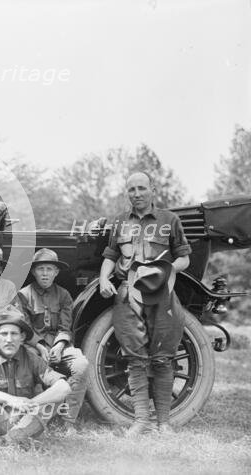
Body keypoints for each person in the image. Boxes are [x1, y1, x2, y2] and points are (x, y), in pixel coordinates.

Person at [98, 172, 191, 436]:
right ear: (126, 193)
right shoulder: (118, 222)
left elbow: (184, 258)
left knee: (163, 358)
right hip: (128, 294)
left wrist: (164, 271)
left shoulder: (169, 220)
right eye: (131, 189)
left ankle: (163, 422)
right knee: (134, 358)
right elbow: (110, 255)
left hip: (162, 293)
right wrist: (104, 277)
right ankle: (141, 420)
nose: (136, 194)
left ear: (152, 189)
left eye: (141, 188)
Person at [0, 306, 72, 442]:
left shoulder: (32, 358)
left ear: (22, 337)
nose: (9, 339)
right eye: (4, 334)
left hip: (25, 417)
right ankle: (14, 439)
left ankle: (5, 441)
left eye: (14, 334)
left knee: (54, 400)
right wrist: (10, 400)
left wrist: (32, 403)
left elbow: (64, 387)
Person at [18, 248, 89, 431]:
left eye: (49, 269)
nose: (45, 274)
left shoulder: (64, 295)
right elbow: (24, 328)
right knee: (28, 360)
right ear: (33, 271)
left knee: (80, 364)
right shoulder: (23, 295)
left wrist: (58, 346)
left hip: (59, 346)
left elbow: (65, 327)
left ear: (56, 272)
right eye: (40, 269)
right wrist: (41, 347)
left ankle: (68, 421)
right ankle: (34, 419)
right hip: (33, 347)